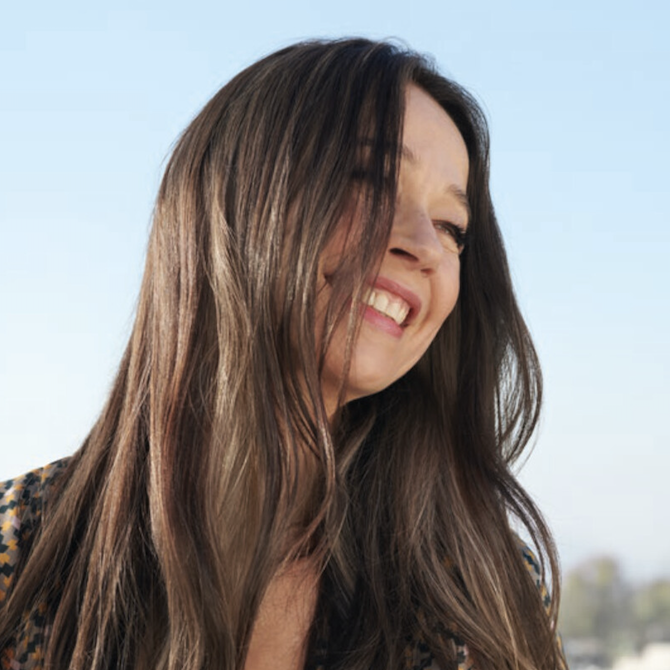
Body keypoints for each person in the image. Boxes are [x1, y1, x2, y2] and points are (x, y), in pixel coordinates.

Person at [0, 38, 566, 670]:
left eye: (452, 228)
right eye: (371, 180)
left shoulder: (485, 593)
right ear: (237, 200)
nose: (425, 248)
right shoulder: (19, 551)